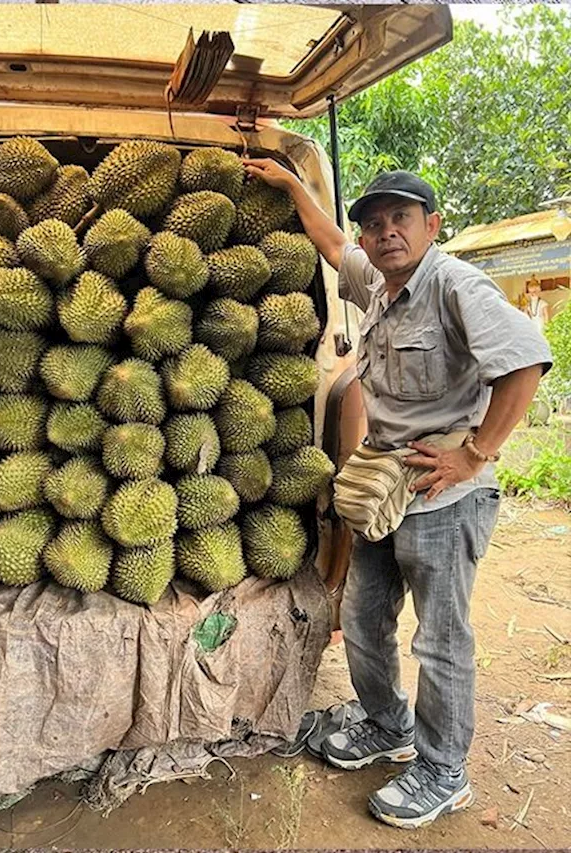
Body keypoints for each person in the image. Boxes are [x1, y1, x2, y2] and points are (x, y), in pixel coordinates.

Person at [242, 162, 551, 829]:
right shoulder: (378, 286)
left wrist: (473, 455)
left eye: (400, 219)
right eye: (375, 223)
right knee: (362, 613)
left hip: (444, 498)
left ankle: (444, 769)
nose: (385, 234)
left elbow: (525, 361)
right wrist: (290, 183)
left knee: (439, 640)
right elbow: (331, 245)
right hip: (383, 491)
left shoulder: (454, 286)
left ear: (431, 226)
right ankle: (386, 724)